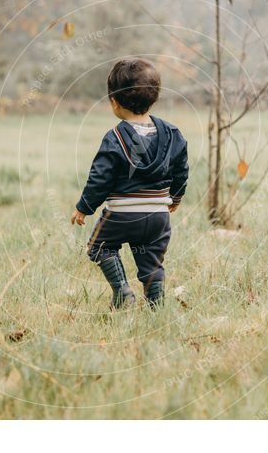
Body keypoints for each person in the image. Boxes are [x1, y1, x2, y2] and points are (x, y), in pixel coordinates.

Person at [71, 58, 188, 309]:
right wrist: (175, 197)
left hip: (121, 215)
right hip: (158, 215)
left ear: (114, 101)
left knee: (98, 247)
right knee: (151, 261)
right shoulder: (172, 134)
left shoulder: (114, 138)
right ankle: (156, 306)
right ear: (154, 98)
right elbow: (181, 171)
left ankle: (122, 291)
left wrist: (84, 207)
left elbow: (99, 179)